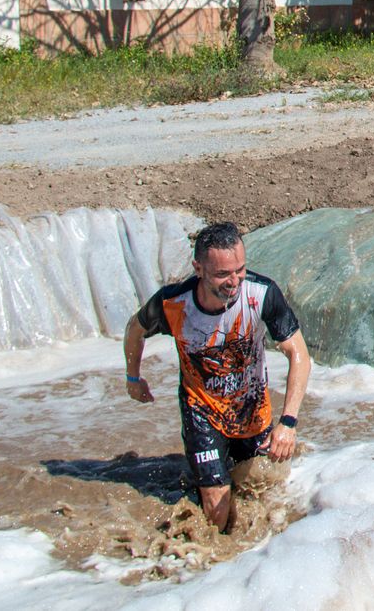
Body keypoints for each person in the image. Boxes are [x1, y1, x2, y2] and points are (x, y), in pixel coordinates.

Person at [124, 221, 312, 532]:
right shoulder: (174, 303)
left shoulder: (262, 293)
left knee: (263, 488)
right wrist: (133, 377)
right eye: (223, 274)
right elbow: (135, 329)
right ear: (198, 268)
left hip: (251, 410)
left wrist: (288, 422)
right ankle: (211, 555)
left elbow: (299, 355)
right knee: (217, 505)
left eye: (240, 270)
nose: (234, 281)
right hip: (201, 411)